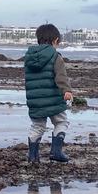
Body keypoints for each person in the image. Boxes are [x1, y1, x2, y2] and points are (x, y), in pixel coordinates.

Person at [23, 23, 73, 163]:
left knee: (38, 126)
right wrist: (67, 91)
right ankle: (56, 151)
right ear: (56, 40)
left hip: (35, 100)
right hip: (53, 99)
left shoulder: (29, 57)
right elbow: (61, 76)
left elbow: (28, 79)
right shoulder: (55, 56)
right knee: (61, 122)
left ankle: (33, 156)